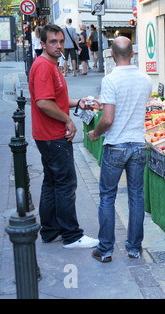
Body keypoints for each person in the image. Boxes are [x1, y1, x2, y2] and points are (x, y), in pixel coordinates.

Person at [28, 24, 100, 249]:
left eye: (60, 41)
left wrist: (78, 102)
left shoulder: (52, 64)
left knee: (52, 182)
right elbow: (43, 102)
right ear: (42, 44)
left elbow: (55, 99)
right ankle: (72, 235)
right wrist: (68, 120)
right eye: (53, 42)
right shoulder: (43, 67)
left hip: (48, 135)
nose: (59, 46)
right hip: (52, 136)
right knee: (66, 183)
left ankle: (50, 231)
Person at [88, 36, 152, 262]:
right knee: (136, 196)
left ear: (112, 55)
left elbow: (108, 119)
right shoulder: (145, 79)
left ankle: (105, 250)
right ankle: (134, 248)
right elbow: (132, 105)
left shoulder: (110, 79)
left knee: (107, 197)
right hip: (138, 145)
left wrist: (95, 133)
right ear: (133, 53)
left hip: (115, 145)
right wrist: (104, 103)